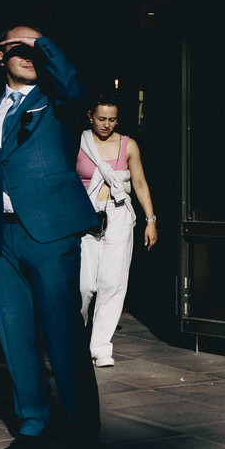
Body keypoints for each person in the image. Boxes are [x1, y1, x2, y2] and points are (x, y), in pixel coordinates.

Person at [0, 27, 102, 449]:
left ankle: (81, 429)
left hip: (50, 233)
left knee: (62, 331)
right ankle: (33, 426)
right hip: (0, 236)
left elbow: (73, 83)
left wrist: (38, 42)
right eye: (17, 48)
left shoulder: (58, 103)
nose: (28, 55)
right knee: (14, 334)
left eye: (35, 48)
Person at [76, 94, 157, 368]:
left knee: (113, 284)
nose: (106, 124)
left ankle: (100, 347)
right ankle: (75, 339)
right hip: (85, 216)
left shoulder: (128, 145)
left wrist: (151, 219)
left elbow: (141, 183)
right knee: (84, 285)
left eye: (112, 119)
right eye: (101, 119)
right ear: (90, 116)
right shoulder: (79, 142)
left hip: (119, 214)